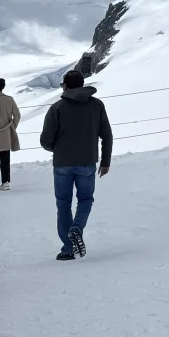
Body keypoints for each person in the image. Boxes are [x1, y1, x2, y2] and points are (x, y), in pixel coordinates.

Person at [39, 70, 112, 260]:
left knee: (63, 203)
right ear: (82, 84)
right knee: (85, 199)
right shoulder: (97, 105)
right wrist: (105, 162)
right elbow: (107, 135)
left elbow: (46, 140)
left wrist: (57, 148)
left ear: (64, 86)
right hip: (87, 162)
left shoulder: (57, 108)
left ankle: (68, 249)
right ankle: (77, 228)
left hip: (62, 163)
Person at [0, 77, 21, 190]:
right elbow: (17, 116)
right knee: (5, 160)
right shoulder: (9, 99)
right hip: (5, 134)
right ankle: (5, 183)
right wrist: (12, 128)